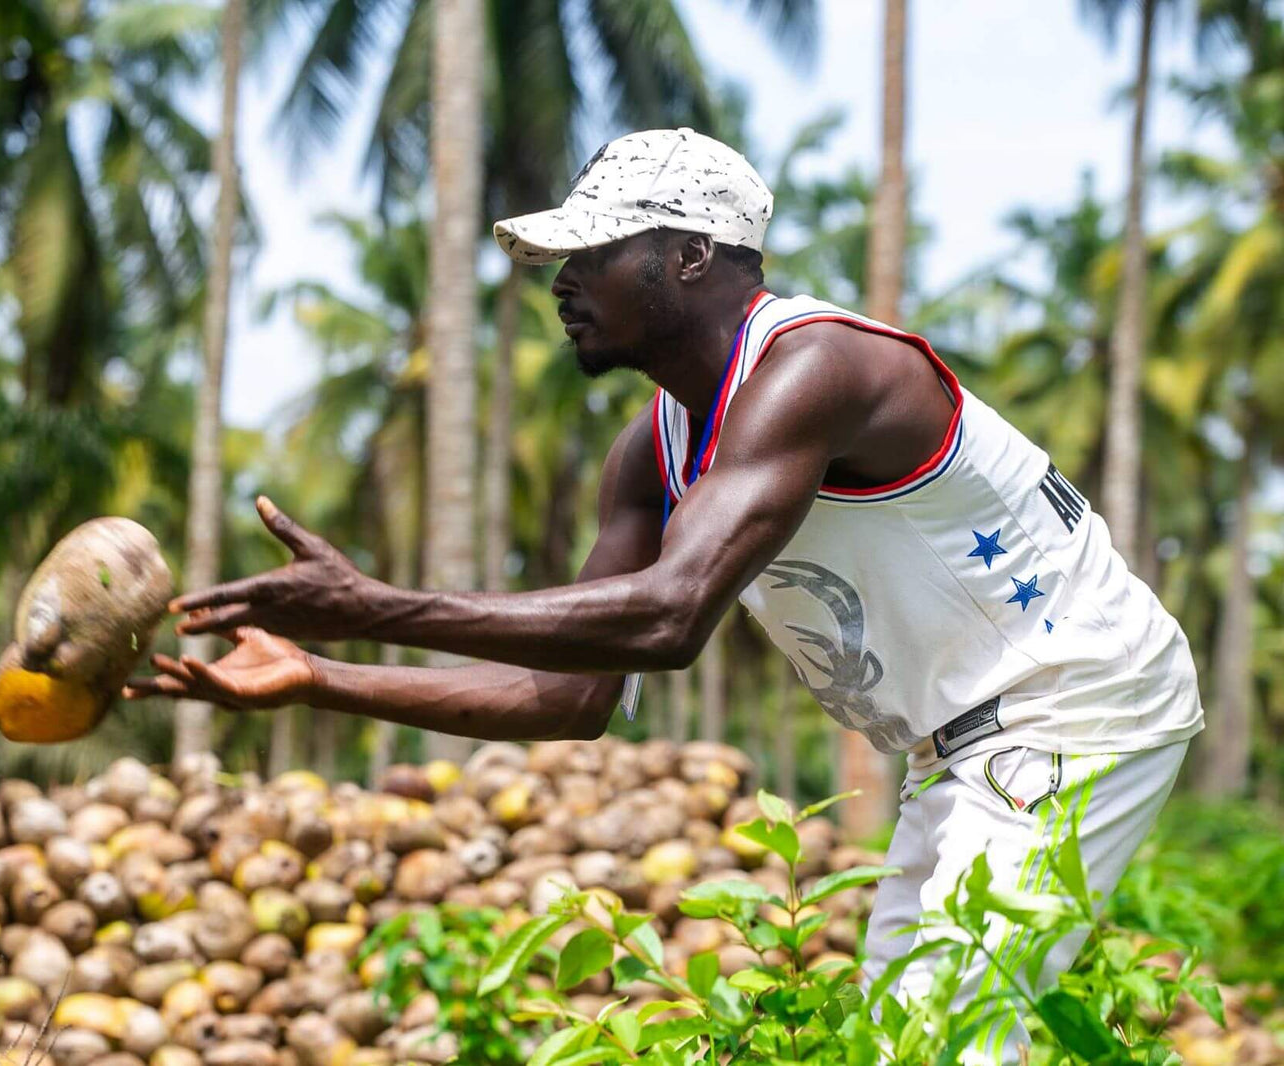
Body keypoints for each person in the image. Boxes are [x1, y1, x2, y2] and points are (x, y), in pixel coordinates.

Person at [126, 128, 1204, 1063]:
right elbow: (572, 700)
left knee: (943, 1036)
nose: (560, 280)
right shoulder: (653, 448)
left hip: (1078, 702)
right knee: (897, 1034)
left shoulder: (815, 365)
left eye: (591, 253)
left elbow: (668, 617)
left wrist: (372, 604)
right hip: (956, 742)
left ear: (692, 255)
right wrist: (319, 675)